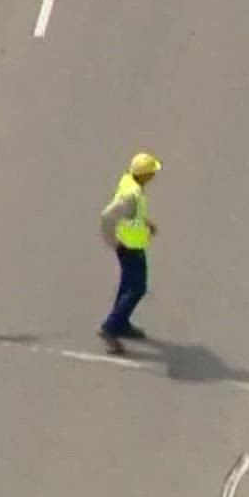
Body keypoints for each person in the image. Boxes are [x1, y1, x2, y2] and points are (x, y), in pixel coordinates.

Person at [98, 152, 161, 354]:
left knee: (127, 285)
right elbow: (108, 216)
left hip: (129, 243)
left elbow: (132, 214)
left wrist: (145, 222)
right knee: (137, 288)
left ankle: (121, 322)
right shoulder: (130, 196)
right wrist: (112, 241)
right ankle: (111, 327)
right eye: (151, 173)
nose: (153, 176)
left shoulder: (129, 183)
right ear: (143, 175)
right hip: (129, 246)